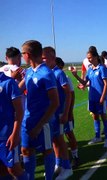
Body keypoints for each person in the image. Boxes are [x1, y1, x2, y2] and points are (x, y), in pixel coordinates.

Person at [20, 40, 59, 180]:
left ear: (28, 55)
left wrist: (40, 125)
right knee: (26, 150)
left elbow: (55, 102)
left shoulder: (46, 73)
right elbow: (19, 90)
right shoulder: (29, 72)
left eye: (22, 53)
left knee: (47, 151)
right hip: (28, 119)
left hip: (44, 122)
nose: (22, 56)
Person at [71, 48, 107, 148]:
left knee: (103, 116)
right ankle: (97, 136)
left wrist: (102, 97)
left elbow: (106, 84)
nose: (88, 60)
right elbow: (85, 82)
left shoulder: (101, 68)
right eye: (87, 58)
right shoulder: (90, 70)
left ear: (95, 57)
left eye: (90, 58)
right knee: (95, 116)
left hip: (100, 98)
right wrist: (76, 76)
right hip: (92, 98)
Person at [42, 47, 73, 179]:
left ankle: (67, 167)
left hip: (59, 112)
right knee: (54, 140)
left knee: (60, 139)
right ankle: (58, 164)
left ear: (53, 58)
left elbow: (68, 94)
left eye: (45, 58)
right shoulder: (46, 72)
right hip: (51, 114)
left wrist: (66, 113)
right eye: (42, 58)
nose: (43, 60)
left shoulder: (58, 73)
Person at [0, 72, 27, 179]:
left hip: (7, 136)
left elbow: (19, 111)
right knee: (1, 169)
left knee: (13, 168)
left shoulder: (9, 82)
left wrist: (15, 133)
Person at [55, 57, 80, 168]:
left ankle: (75, 156)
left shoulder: (65, 78)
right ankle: (58, 162)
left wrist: (69, 112)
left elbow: (72, 95)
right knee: (56, 137)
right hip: (54, 113)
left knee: (69, 134)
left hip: (64, 112)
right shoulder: (50, 77)